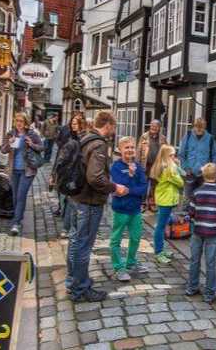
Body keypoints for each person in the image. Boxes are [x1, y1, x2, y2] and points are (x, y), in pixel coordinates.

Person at [67, 111, 128, 302]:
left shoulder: (85, 138)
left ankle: (73, 280)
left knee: (75, 241)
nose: (114, 130)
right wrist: (114, 187)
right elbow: (95, 177)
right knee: (83, 245)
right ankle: (81, 289)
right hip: (89, 201)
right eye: (114, 126)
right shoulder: (99, 144)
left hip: (76, 197)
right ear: (108, 125)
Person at [186, 163, 216, 304]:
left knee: (194, 260)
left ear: (203, 175)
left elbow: (191, 212)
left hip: (198, 230)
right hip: (214, 232)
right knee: (210, 262)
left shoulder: (197, 192)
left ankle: (192, 287)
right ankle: (209, 293)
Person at [109, 136, 149, 281]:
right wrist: (131, 176)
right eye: (127, 147)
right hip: (121, 209)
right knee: (116, 239)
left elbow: (143, 187)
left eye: (132, 147)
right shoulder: (116, 167)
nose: (130, 150)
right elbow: (119, 187)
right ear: (120, 150)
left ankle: (131, 262)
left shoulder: (138, 166)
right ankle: (118, 268)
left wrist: (130, 190)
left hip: (135, 209)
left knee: (136, 237)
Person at [1, 113, 44, 236]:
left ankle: (16, 223)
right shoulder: (11, 134)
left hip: (28, 170)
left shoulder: (32, 134)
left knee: (21, 195)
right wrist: (9, 143)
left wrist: (31, 144)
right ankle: (18, 217)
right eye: (17, 120)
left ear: (25, 122)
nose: (19, 123)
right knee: (15, 196)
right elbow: (3, 150)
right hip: (14, 170)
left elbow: (42, 148)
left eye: (21, 121)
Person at [51, 114, 86, 239]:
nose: (73, 126)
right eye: (72, 123)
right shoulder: (70, 137)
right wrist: (54, 173)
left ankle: (69, 228)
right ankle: (68, 228)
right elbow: (61, 156)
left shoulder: (84, 138)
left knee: (71, 202)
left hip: (78, 174)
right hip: (68, 174)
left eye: (76, 123)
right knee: (67, 201)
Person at [150, 144, 184, 264]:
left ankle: (161, 249)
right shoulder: (168, 170)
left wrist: (177, 166)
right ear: (166, 156)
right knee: (160, 227)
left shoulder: (166, 166)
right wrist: (177, 167)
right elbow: (180, 182)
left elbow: (182, 173)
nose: (174, 157)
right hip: (166, 201)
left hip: (165, 199)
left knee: (162, 226)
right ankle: (158, 252)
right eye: (172, 155)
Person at [178, 118, 216, 206]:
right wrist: (186, 167)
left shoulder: (210, 138)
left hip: (204, 173)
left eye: (201, 128)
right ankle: (187, 212)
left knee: (203, 198)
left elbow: (215, 155)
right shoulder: (188, 136)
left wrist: (211, 169)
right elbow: (181, 154)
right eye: (197, 127)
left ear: (204, 127)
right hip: (189, 172)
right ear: (194, 126)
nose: (199, 130)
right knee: (188, 199)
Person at [136, 119, 168, 212]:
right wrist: (137, 164)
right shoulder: (144, 136)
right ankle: (142, 204)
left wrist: (166, 163)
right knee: (144, 184)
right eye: (152, 125)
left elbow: (166, 151)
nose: (153, 127)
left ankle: (152, 203)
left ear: (159, 128)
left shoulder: (162, 138)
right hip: (145, 164)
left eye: (156, 126)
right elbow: (138, 151)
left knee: (154, 185)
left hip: (156, 165)